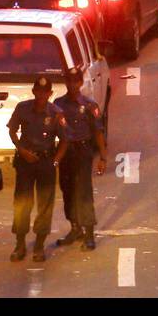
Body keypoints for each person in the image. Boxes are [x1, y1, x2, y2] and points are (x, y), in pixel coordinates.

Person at [7, 75, 69, 263]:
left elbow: (64, 140)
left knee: (45, 204)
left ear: (50, 94)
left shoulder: (56, 113)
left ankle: (40, 244)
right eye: (38, 91)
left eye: (45, 92)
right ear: (34, 91)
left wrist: (55, 162)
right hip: (25, 161)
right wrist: (21, 149)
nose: (42, 95)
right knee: (22, 202)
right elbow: (12, 130)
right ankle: (20, 243)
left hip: (45, 162)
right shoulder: (22, 108)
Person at [54, 67, 107, 251]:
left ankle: (89, 233)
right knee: (67, 189)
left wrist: (103, 157)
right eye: (69, 81)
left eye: (75, 81)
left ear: (81, 82)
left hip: (83, 150)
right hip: (65, 151)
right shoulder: (58, 104)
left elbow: (98, 132)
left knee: (84, 191)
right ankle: (75, 228)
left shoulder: (90, 105)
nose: (72, 85)